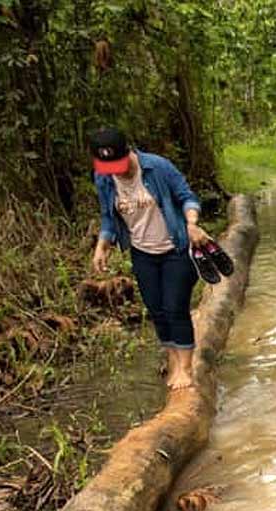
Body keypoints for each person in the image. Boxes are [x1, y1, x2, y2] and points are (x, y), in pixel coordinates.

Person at [89, 126, 214, 390]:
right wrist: (102, 245)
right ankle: (173, 359)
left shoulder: (158, 168)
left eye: (119, 165)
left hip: (176, 248)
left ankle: (186, 368)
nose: (116, 172)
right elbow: (108, 218)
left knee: (174, 307)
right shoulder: (103, 179)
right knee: (157, 311)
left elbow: (187, 197)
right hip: (142, 252)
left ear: (130, 152)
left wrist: (192, 224)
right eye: (108, 167)